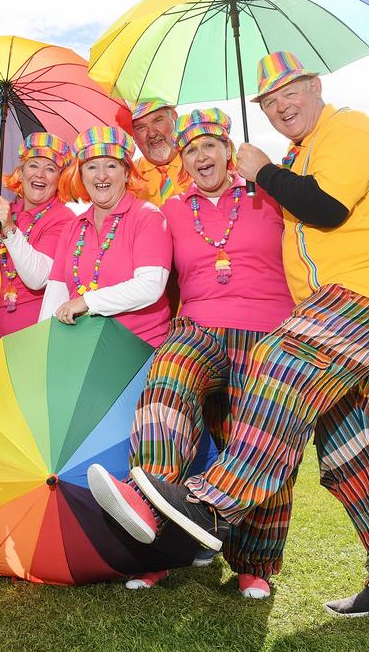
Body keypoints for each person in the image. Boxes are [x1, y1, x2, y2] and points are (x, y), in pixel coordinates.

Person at [93, 52, 369, 618]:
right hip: (335, 308)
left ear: (317, 85)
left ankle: (206, 507)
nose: (282, 107)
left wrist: (263, 173)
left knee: (280, 358)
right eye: (270, 103)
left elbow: (325, 208)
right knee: (352, 453)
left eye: (290, 93)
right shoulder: (298, 158)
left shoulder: (349, 129)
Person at [88, 108, 295, 599]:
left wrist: (266, 173)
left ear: (229, 150)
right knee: (167, 379)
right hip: (199, 326)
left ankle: (254, 564)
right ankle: (150, 522)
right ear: (182, 161)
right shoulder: (172, 210)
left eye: (210, 146)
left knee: (258, 441)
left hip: (267, 332)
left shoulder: (270, 194)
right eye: (192, 149)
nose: (202, 156)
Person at [39, 126, 172, 348]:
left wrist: (87, 301)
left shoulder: (148, 217)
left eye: (111, 165)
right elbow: (56, 295)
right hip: (82, 350)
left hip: (139, 350)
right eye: (91, 167)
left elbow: (150, 286)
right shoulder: (73, 227)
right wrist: (43, 349)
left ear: (127, 172)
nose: (101, 176)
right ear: (81, 175)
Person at [0, 133, 76, 336]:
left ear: (60, 179)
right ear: (21, 171)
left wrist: (9, 229)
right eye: (34, 165)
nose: (40, 175)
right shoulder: (4, 211)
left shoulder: (64, 219)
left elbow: (38, 278)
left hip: (37, 336)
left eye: (50, 169)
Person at [126, 99, 192, 207]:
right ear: (132, 135)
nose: (151, 133)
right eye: (141, 127)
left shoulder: (201, 163)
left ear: (174, 117)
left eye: (157, 120)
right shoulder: (127, 179)